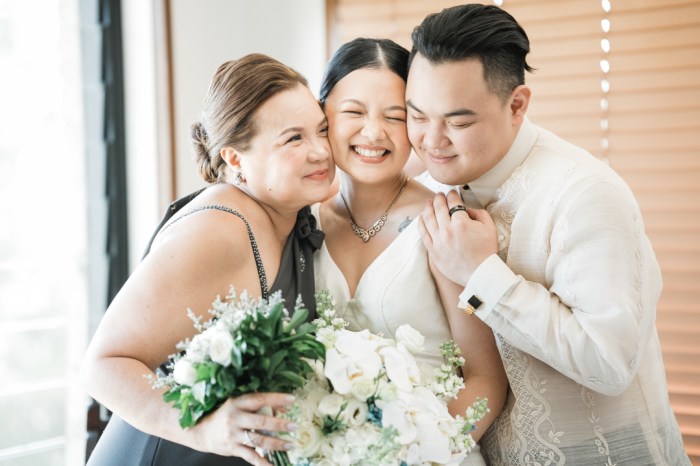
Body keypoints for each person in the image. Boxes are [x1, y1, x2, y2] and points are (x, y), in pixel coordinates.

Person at [407, 4, 690, 465]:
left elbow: (610, 362)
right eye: (417, 116)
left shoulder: (585, 194)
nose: (431, 140)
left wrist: (481, 274)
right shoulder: (430, 184)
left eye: (458, 122)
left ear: (517, 105)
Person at [82, 53, 334, 466]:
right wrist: (202, 428)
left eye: (322, 130)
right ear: (235, 159)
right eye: (294, 139)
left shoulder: (288, 209)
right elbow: (102, 366)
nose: (321, 151)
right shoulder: (219, 230)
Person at [313, 37, 508, 464]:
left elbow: (486, 380)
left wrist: (421, 455)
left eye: (395, 117)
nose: (373, 133)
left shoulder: (443, 224)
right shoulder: (302, 224)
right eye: (354, 112)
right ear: (323, 114)